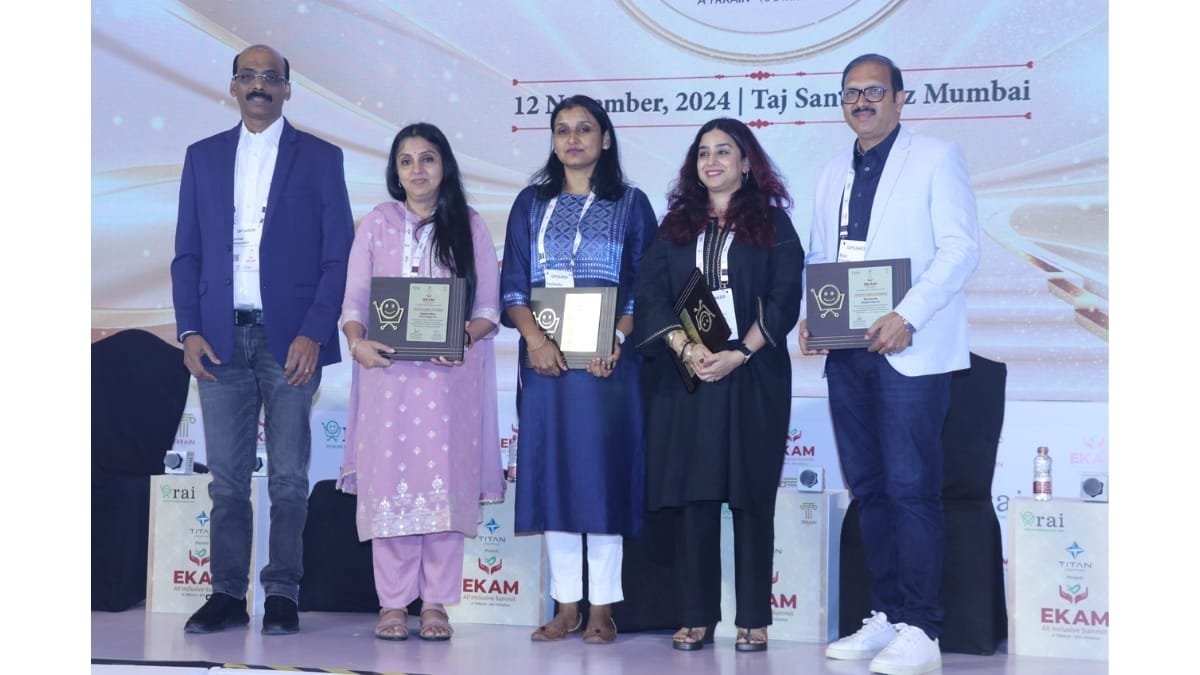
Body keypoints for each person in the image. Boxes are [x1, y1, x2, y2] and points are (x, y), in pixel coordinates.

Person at [799, 53, 980, 675]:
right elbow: (823, 254)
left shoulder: (936, 157)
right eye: (852, 92)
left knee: (910, 489)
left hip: (910, 349)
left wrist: (908, 314)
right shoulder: (831, 171)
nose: (862, 101)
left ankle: (922, 628)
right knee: (870, 490)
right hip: (847, 352)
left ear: (901, 99)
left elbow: (960, 248)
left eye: (875, 91)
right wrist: (812, 314)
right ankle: (888, 615)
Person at [170, 44, 354, 635]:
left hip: (290, 341)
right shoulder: (202, 157)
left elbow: (338, 256)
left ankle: (281, 593)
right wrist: (189, 329)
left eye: (271, 77)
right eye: (248, 76)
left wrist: (312, 332)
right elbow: (187, 254)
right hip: (218, 338)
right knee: (226, 480)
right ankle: (227, 594)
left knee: (289, 479)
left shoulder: (321, 158)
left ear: (286, 90)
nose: (259, 85)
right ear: (233, 86)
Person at [633, 118, 803, 653]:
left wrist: (740, 353)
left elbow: (785, 297)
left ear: (746, 163)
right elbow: (651, 293)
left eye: (724, 151)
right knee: (694, 498)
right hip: (687, 375)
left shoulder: (773, 224)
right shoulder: (676, 226)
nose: (712, 161)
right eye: (703, 152)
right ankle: (696, 615)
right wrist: (687, 349)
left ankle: (754, 617)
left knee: (751, 497)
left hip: (753, 373)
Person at [337, 122, 506, 642]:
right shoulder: (377, 224)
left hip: (448, 379)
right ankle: (392, 603)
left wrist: (462, 336)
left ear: (444, 166)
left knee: (443, 488)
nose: (417, 170)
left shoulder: (469, 225)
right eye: (406, 160)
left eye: (427, 158)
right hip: (386, 377)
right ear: (395, 170)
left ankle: (435, 603)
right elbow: (354, 301)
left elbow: (487, 308)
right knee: (389, 484)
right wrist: (357, 344)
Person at [499, 95, 657, 645]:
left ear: (605, 139)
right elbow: (514, 283)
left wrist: (617, 338)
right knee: (555, 477)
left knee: (601, 477)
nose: (572, 138)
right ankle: (565, 606)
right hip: (547, 365)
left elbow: (645, 285)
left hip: (607, 364)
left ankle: (602, 609)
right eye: (562, 129)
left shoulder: (632, 203)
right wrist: (535, 341)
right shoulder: (531, 203)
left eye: (584, 128)